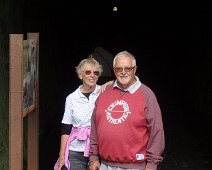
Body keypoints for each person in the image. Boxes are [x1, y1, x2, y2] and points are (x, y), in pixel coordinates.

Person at [89, 51, 165, 170]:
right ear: (114, 71)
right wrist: (93, 157)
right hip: (104, 165)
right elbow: (94, 126)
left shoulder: (147, 94)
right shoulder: (104, 93)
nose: (123, 72)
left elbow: (156, 131)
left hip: (135, 166)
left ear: (134, 69)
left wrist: (152, 163)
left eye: (128, 68)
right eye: (119, 69)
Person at [54, 56, 113, 170]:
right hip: (75, 150)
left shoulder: (104, 92)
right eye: (88, 72)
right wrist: (61, 155)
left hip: (98, 150)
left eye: (96, 73)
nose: (92, 75)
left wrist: (112, 82)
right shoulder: (71, 98)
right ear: (80, 75)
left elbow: (126, 84)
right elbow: (66, 127)